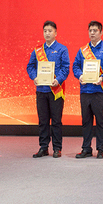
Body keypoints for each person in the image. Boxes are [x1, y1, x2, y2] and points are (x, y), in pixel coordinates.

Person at [72, 21, 103, 159]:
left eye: (95, 30)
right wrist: (80, 75)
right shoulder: (82, 50)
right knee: (86, 121)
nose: (92, 33)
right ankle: (86, 148)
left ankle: (101, 149)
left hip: (100, 91)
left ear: (101, 32)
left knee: (100, 121)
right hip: (85, 90)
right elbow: (75, 66)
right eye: (90, 30)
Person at [26, 20, 70, 158]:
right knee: (43, 121)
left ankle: (57, 148)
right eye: (45, 31)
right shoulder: (37, 50)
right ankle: (43, 147)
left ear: (56, 33)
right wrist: (34, 77)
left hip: (56, 91)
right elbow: (30, 66)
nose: (47, 33)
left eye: (50, 31)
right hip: (41, 90)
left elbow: (66, 68)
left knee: (56, 121)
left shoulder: (62, 49)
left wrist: (58, 80)